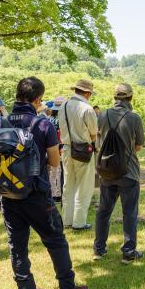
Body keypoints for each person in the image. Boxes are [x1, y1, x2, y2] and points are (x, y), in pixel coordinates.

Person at [0, 76, 88, 289]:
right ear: (38, 99)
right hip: (37, 194)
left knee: (17, 245)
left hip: (8, 194)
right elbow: (55, 163)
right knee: (55, 241)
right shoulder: (42, 124)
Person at [94, 83, 145, 264]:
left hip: (107, 171)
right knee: (129, 212)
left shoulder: (102, 115)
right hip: (128, 171)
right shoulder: (134, 118)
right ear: (130, 98)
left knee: (103, 211)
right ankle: (128, 251)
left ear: (114, 97)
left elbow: (98, 142)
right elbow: (138, 146)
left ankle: (99, 249)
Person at [58, 79, 98, 231]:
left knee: (68, 185)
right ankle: (79, 223)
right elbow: (94, 133)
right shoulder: (87, 108)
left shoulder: (64, 105)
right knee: (84, 186)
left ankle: (66, 220)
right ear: (87, 93)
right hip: (83, 150)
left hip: (67, 148)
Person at [48, 97, 65, 202]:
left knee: (53, 171)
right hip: (60, 146)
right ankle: (58, 194)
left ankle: (53, 193)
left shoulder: (49, 119)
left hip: (50, 146)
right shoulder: (61, 119)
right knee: (59, 171)